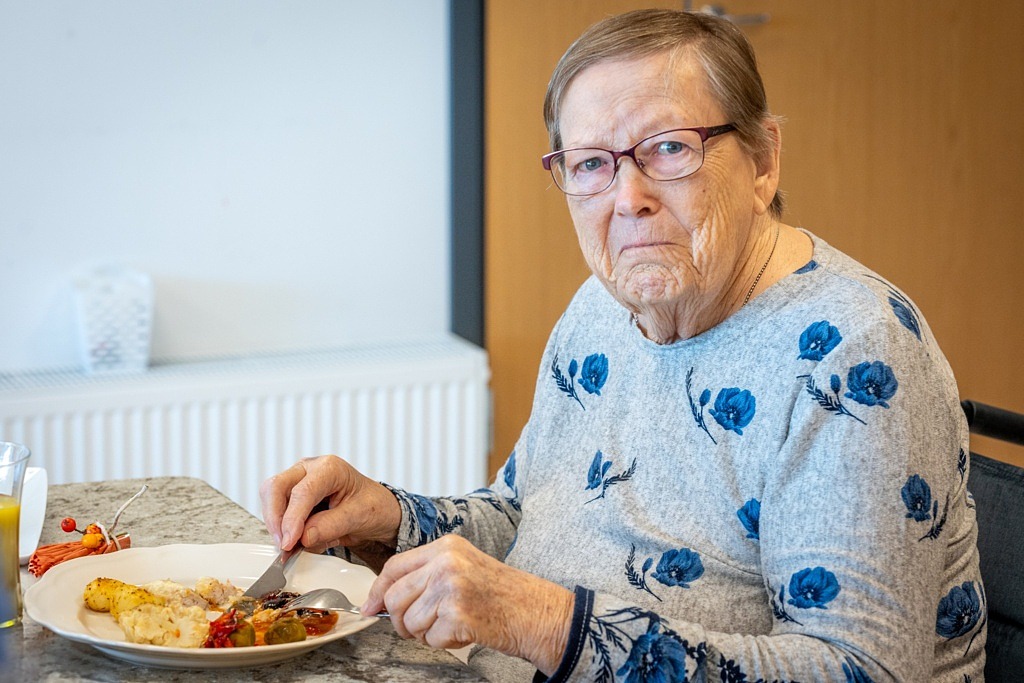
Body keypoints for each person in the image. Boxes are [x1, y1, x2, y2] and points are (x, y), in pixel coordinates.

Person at [260, 9, 985, 682]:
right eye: (591, 164)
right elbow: (524, 515)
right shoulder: (604, 306)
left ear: (764, 161)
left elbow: (857, 670)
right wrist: (391, 517)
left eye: (669, 149)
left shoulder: (852, 358)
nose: (626, 198)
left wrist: (542, 621)